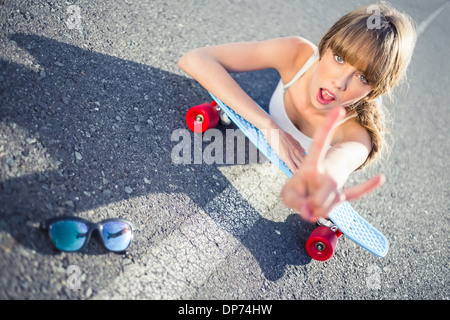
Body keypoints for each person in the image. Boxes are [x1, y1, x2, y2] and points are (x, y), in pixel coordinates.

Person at [178, 4, 416, 223]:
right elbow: (194, 59)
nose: (339, 82)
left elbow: (332, 171)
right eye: (339, 58)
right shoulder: (298, 54)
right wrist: (269, 127)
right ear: (325, 46)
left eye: (362, 78)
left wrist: (316, 188)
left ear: (375, 91)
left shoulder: (356, 135)